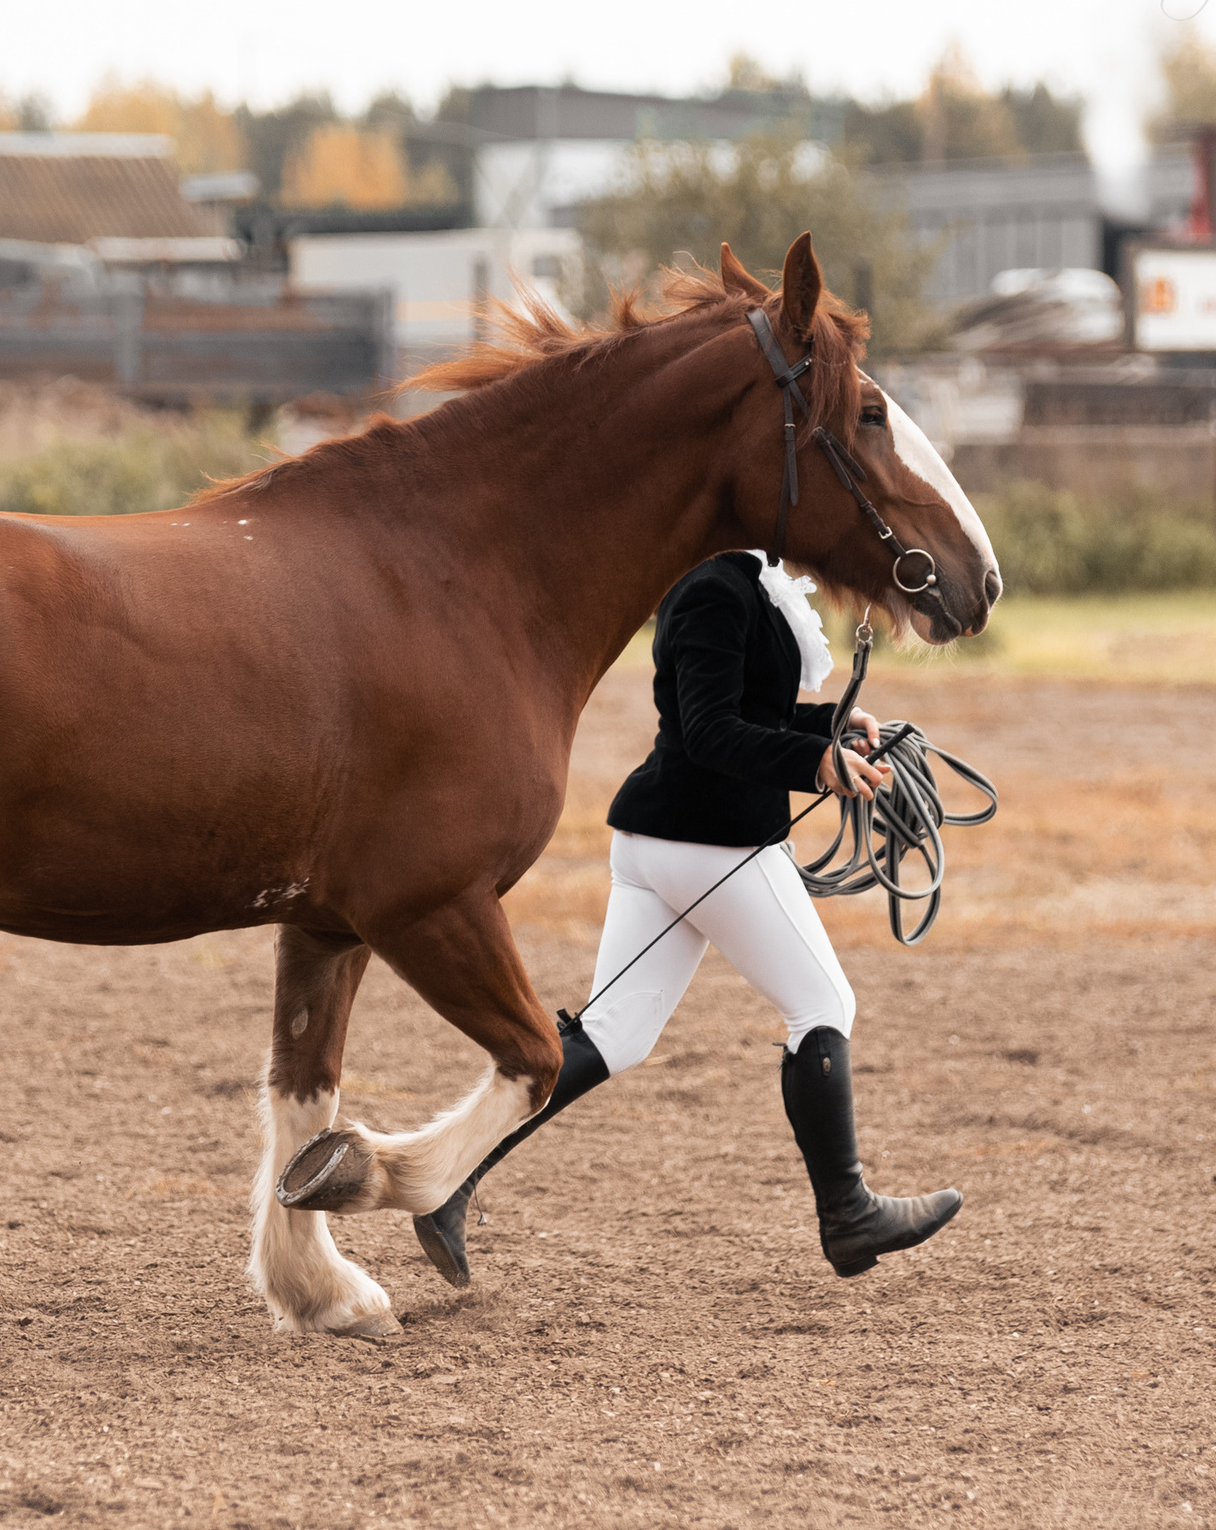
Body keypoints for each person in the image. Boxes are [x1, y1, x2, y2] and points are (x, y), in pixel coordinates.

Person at [412, 551, 962, 1286]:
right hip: (708, 844)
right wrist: (818, 764)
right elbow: (708, 731)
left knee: (615, 1033)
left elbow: (744, 706)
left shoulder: (740, 580)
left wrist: (828, 724)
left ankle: (446, 1179)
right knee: (824, 1003)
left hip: (661, 843)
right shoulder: (713, 588)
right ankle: (849, 1213)